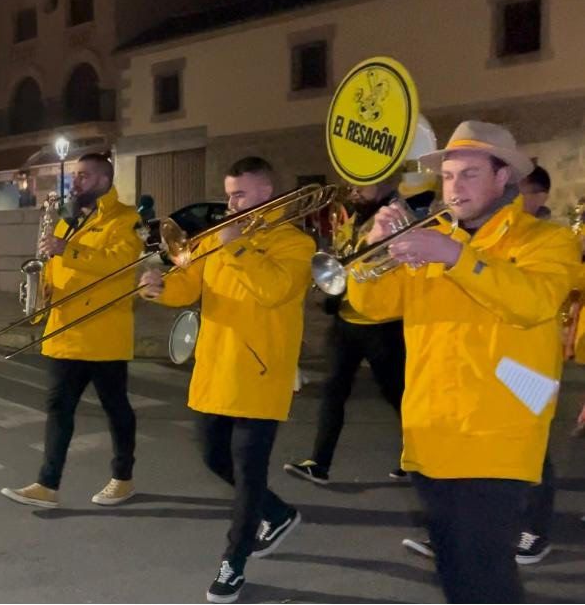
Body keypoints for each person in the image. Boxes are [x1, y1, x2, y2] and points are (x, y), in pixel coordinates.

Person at [351, 121, 577, 602]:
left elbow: (533, 301)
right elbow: (369, 306)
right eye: (449, 176)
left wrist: (458, 258)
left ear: (503, 179)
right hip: (432, 429)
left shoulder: (546, 241)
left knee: (487, 576)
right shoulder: (431, 234)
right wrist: (372, 245)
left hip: (498, 430)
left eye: (470, 174)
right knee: (455, 571)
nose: (455, 187)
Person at [140, 157, 314, 603]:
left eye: (239, 194)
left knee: (248, 473)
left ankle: (234, 562)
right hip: (215, 368)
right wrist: (160, 287)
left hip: (260, 374)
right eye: (229, 192)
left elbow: (275, 290)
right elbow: (191, 285)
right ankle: (278, 514)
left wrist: (236, 247)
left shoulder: (293, 242)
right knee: (213, 457)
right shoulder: (219, 237)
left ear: (266, 192)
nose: (230, 201)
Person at [0, 152, 144, 509]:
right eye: (75, 176)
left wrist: (70, 250)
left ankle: (122, 478)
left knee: (116, 408)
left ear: (102, 179)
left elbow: (122, 264)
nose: (74, 182)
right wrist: (43, 288)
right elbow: (53, 264)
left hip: (103, 334)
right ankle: (47, 485)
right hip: (64, 331)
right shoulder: (66, 219)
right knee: (58, 409)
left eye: (82, 176)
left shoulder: (128, 219)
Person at [284, 177, 435, 485]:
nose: (353, 192)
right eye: (351, 186)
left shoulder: (398, 216)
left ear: (382, 185)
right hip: (346, 319)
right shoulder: (350, 220)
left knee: (398, 395)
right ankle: (319, 462)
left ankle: (417, 458)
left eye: (360, 186)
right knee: (333, 391)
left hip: (382, 325)